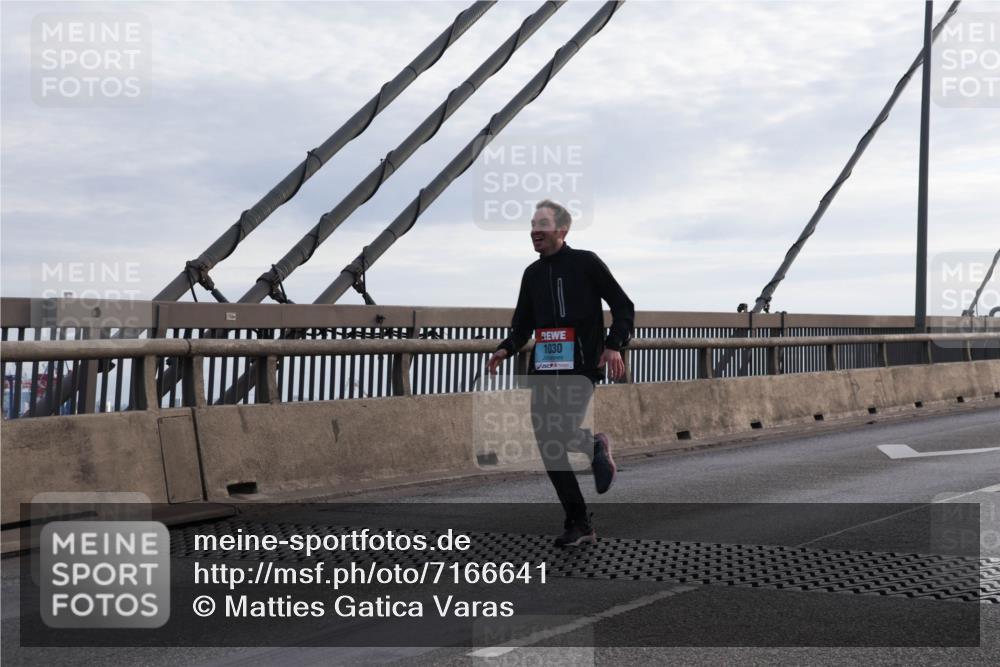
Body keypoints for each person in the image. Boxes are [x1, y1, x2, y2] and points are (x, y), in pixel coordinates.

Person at [487, 199, 634, 547]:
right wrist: (505, 348)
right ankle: (579, 521)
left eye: (543, 224)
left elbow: (623, 306)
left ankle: (591, 445)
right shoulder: (532, 274)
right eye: (533, 224)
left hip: (581, 367)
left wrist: (613, 345)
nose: (535, 230)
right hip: (544, 370)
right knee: (550, 445)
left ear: (562, 231)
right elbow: (522, 325)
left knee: (559, 432)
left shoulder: (585, 263)